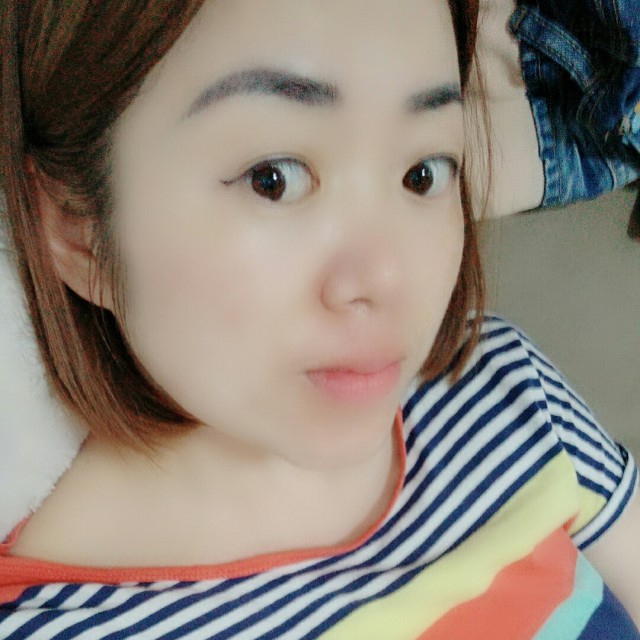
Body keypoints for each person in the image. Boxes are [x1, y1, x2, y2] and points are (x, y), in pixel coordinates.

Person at [0, 1, 638, 638]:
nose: (387, 278)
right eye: (273, 180)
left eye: (422, 174)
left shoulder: (499, 384)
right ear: (78, 228)